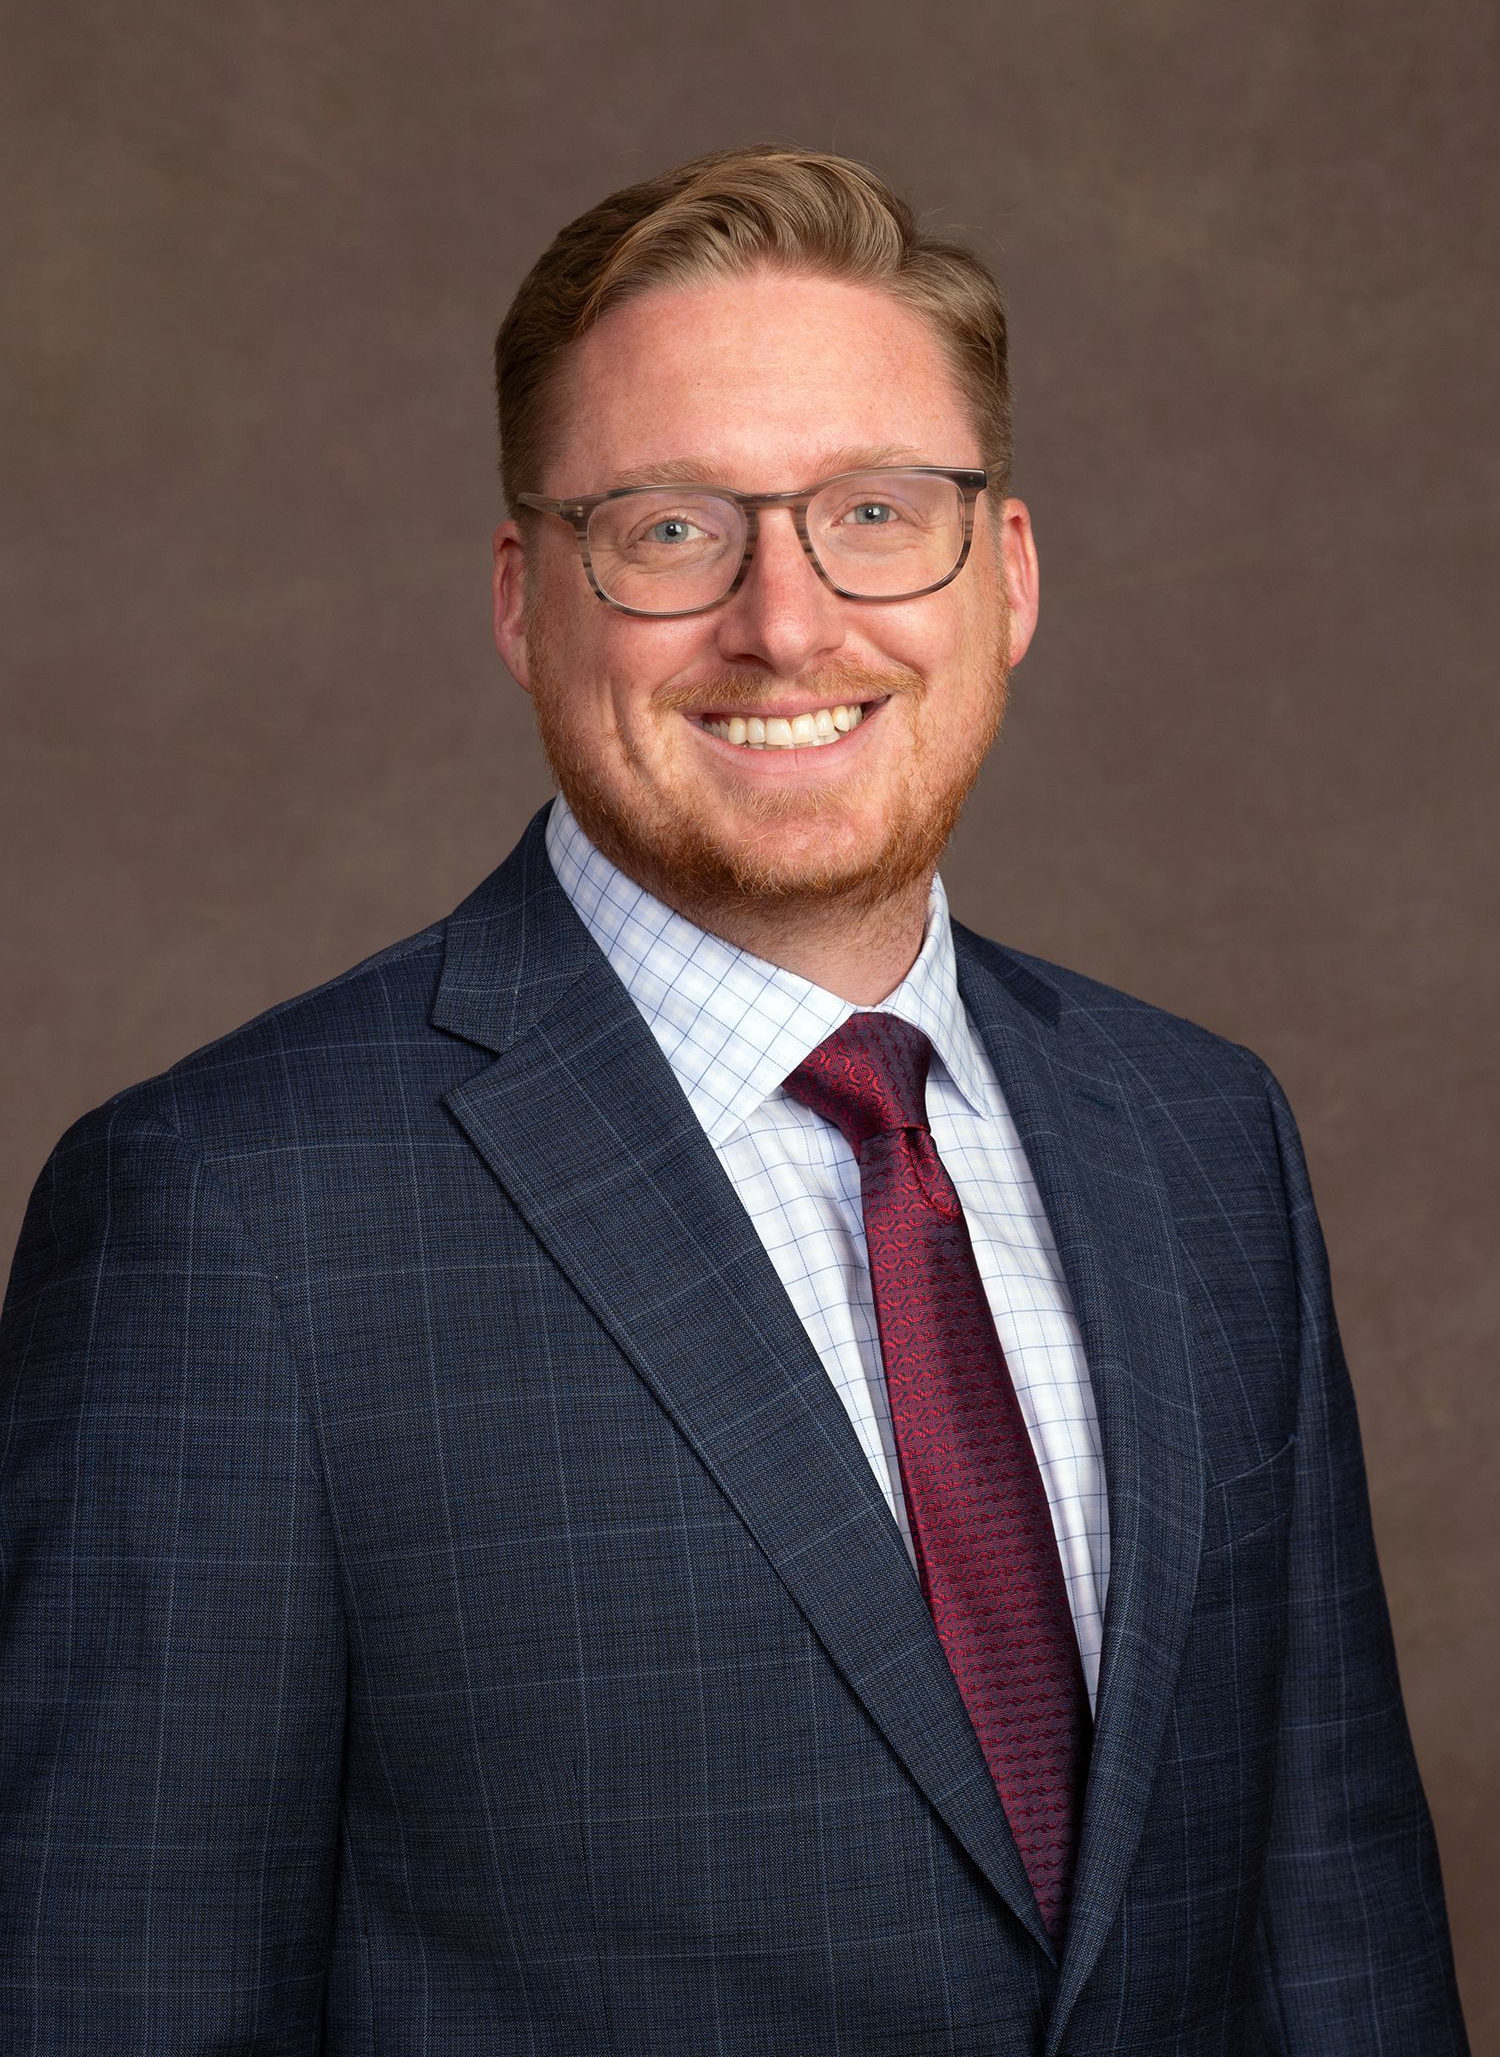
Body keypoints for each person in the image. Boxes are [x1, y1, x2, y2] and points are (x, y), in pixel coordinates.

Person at [0, 144, 1468, 2055]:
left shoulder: (1204, 1138)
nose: (788, 621)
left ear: (1008, 576)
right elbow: (109, 2000)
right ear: (524, 600)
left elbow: (1337, 1941)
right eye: (673, 527)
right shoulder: (226, 1214)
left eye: (877, 511)